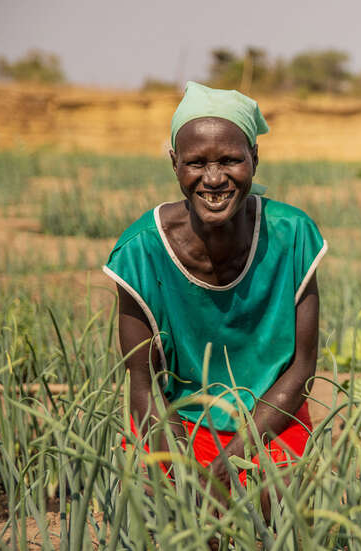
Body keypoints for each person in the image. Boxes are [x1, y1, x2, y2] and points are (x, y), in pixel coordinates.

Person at [103, 82, 327, 500]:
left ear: (254, 160)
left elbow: (302, 366)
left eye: (230, 160)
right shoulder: (140, 251)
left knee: (271, 501)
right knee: (159, 508)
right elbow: (143, 384)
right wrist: (183, 468)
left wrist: (238, 454)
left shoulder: (292, 235)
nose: (213, 178)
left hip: (269, 419)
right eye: (196, 162)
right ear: (175, 164)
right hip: (176, 421)